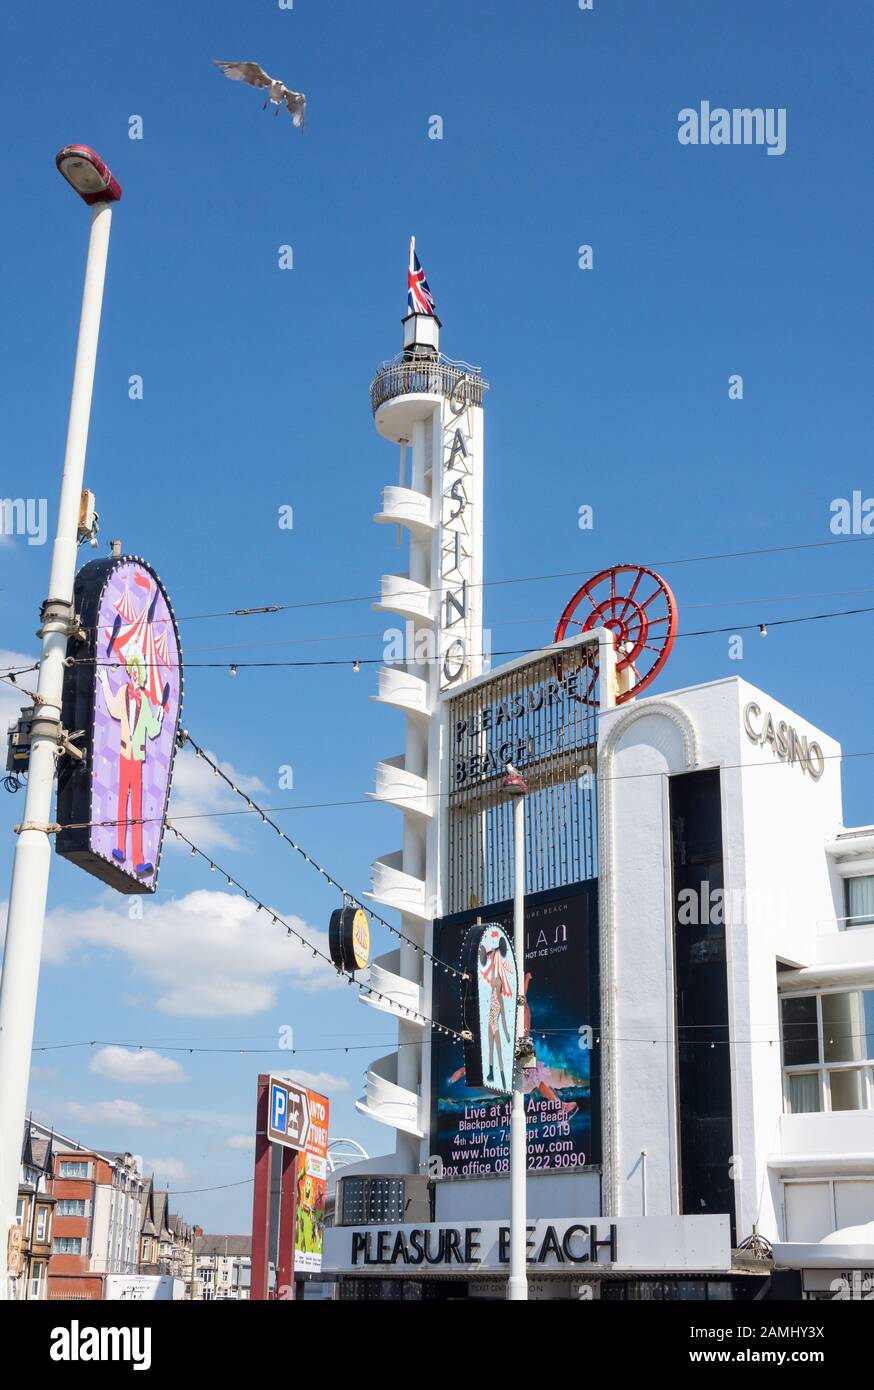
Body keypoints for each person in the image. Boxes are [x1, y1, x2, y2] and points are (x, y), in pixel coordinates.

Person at [97, 644, 167, 877]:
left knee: (136, 809)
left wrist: (158, 714)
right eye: (132, 670)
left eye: (137, 670)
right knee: (121, 803)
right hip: (124, 753)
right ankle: (118, 847)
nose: (134, 674)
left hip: (138, 757)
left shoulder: (144, 700)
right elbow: (115, 711)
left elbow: (153, 728)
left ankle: (138, 860)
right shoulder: (125, 692)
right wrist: (106, 683)